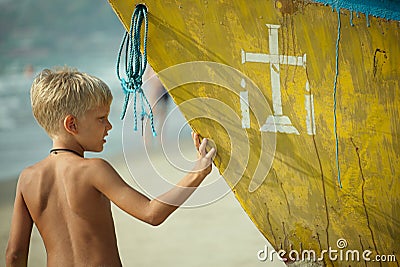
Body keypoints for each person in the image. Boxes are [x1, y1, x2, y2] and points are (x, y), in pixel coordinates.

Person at [5, 67, 216, 266]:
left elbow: (14, 254)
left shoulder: (27, 179)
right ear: (72, 125)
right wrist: (197, 173)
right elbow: (152, 214)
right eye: (101, 119)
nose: (109, 126)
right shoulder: (93, 170)